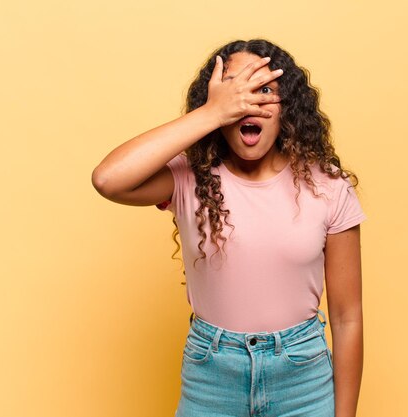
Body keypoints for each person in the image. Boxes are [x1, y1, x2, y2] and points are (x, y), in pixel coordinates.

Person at [92, 38, 367, 417]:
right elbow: (109, 179)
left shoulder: (329, 187)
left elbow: (347, 316)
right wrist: (212, 113)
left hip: (303, 380)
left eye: (264, 90)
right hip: (211, 379)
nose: (247, 103)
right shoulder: (190, 177)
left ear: (288, 107)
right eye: (235, 89)